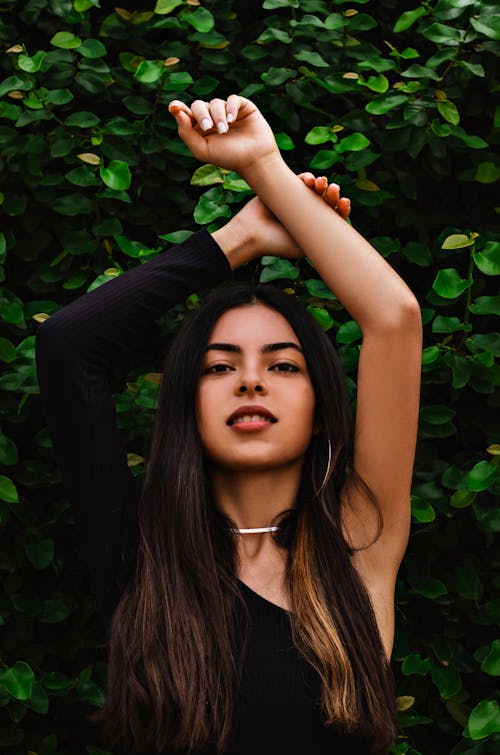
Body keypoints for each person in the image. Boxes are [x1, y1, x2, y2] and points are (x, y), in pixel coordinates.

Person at [35, 95, 422, 755]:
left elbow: (394, 318)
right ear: (189, 404)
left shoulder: (359, 537)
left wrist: (262, 163)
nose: (250, 380)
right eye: (219, 367)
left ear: (321, 405)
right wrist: (240, 238)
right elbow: (68, 346)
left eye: (283, 366)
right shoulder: (143, 549)